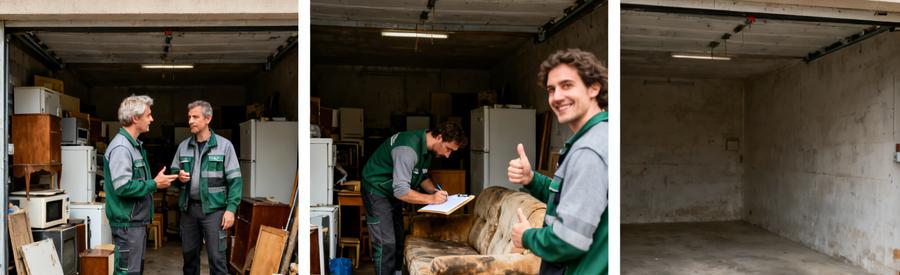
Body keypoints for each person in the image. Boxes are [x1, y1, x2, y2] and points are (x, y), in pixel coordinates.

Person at [507, 49, 609, 275]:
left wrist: (526, 236)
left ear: (594, 88)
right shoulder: (589, 140)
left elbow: (568, 241)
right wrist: (531, 179)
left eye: (567, 85)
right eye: (551, 90)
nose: (556, 97)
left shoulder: (590, 150)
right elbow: (569, 198)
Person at [361, 122, 468, 275]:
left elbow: (421, 176)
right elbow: (402, 191)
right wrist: (432, 199)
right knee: (386, 244)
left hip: (392, 189)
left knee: (398, 239)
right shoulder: (408, 149)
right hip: (376, 189)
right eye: (448, 149)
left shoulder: (427, 148)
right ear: (439, 137)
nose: (447, 155)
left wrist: (435, 191)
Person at [104, 95, 177, 275]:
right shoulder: (122, 148)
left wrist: (154, 182)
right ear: (135, 118)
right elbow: (123, 187)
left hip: (134, 223)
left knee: (133, 271)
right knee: (128, 272)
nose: (152, 119)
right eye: (148, 115)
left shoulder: (133, 146)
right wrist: (153, 184)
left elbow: (135, 182)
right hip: (128, 224)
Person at [169, 100, 242, 275]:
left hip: (215, 212)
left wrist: (231, 209)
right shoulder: (183, 146)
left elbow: (235, 181)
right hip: (189, 210)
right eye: (189, 117)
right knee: (189, 258)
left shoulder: (225, 146)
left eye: (195, 117)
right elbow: (173, 174)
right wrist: (179, 177)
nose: (190, 121)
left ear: (208, 119)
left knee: (217, 259)